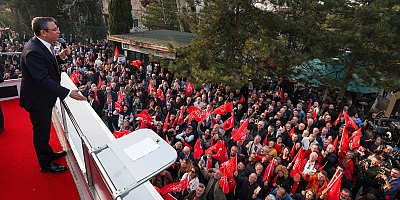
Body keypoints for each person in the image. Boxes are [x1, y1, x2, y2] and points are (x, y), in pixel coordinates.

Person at [20, 17, 86, 173]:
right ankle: (46, 164)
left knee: (44, 128)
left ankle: (48, 153)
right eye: (55, 29)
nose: (58, 31)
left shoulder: (41, 45)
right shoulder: (33, 51)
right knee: (41, 132)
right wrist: (68, 93)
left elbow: (47, 64)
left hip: (43, 98)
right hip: (37, 100)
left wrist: (61, 57)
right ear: (43, 32)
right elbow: (42, 79)